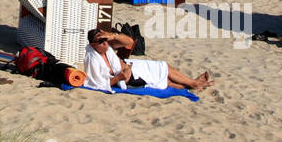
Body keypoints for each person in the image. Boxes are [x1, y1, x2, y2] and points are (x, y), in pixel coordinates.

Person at [83, 30, 213, 93]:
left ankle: (191, 85)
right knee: (164, 71)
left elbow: (129, 42)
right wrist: (119, 78)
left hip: (129, 66)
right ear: (93, 45)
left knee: (163, 74)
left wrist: (113, 36)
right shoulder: (92, 59)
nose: (105, 43)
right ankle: (194, 83)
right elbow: (99, 83)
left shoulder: (107, 47)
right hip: (128, 77)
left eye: (105, 39)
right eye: (100, 41)